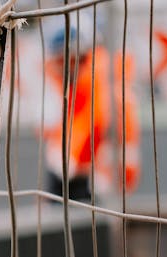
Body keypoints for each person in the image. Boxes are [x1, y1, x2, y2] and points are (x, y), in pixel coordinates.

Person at [42, 21, 140, 200]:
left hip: (94, 184)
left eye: (61, 61)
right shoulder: (81, 83)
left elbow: (91, 128)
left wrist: (66, 162)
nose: (57, 68)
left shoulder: (99, 83)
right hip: (84, 179)